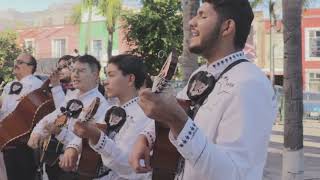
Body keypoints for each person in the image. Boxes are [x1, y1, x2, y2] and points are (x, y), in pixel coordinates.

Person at [129, 1, 277, 180]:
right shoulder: (202, 73)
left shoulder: (250, 83)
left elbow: (236, 174)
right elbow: (178, 110)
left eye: (202, 16)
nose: (191, 22)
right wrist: (146, 138)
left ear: (227, 27)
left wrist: (177, 121)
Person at [28, 55, 110, 180]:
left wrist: (59, 132)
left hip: (74, 170)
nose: (75, 75)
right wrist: (37, 131)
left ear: (95, 75)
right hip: (54, 161)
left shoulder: (100, 105)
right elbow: (53, 116)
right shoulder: (72, 96)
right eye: (74, 70)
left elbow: (88, 143)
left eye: (81, 71)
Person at [73, 54, 152, 180]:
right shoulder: (111, 110)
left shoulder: (144, 114)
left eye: (111, 75)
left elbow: (128, 165)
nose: (105, 81)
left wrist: (96, 137)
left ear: (130, 79)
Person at [0, 53, 43, 180]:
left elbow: (36, 114)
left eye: (20, 62)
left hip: (23, 141)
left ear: (30, 67)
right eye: (16, 61)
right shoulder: (9, 85)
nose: (15, 64)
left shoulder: (36, 85)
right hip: (5, 139)